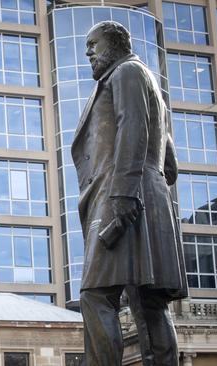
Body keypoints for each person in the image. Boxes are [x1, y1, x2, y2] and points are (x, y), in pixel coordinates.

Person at [70, 21, 188, 366]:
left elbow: (132, 130)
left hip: (123, 196)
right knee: (149, 302)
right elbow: (170, 167)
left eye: (94, 44)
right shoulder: (148, 82)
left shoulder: (126, 73)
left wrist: (121, 198)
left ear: (117, 43)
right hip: (149, 198)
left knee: (96, 295)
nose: (88, 52)